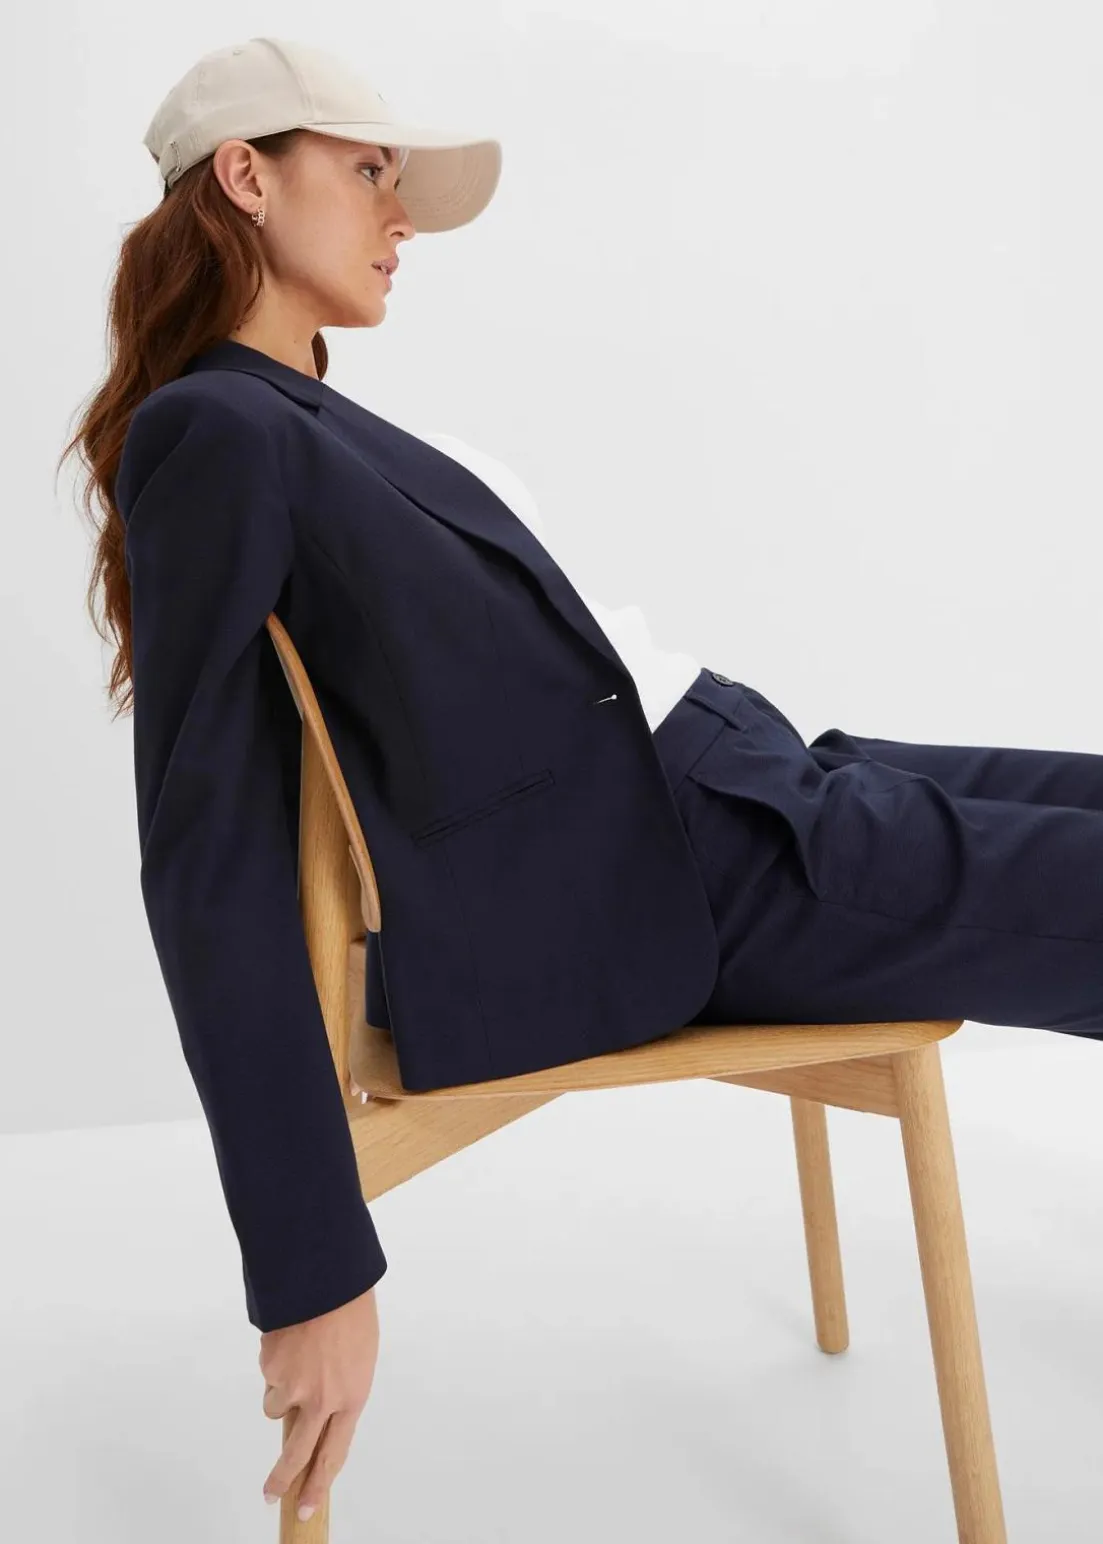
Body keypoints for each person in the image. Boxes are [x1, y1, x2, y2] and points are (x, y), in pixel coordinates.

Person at [58, 32, 1103, 1529]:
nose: (402, 215)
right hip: (693, 865)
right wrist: (309, 1267)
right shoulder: (214, 432)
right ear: (246, 176)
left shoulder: (305, 413)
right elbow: (205, 852)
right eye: (370, 173)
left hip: (745, 774)